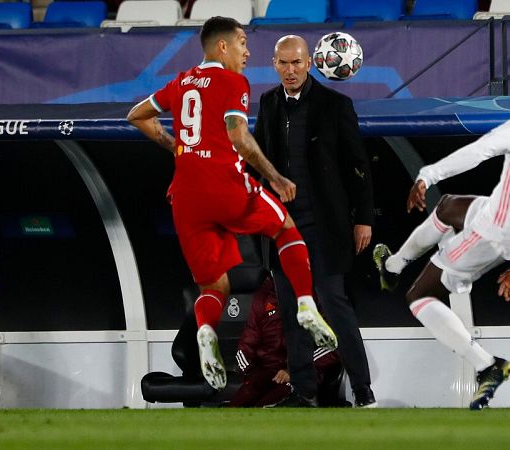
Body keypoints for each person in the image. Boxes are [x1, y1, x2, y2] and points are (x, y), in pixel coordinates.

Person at [126, 16, 337, 391]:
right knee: (286, 227)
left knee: (215, 286)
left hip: (185, 195)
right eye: (242, 42)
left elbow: (136, 116)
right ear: (222, 46)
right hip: (224, 184)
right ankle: (306, 303)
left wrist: (175, 146)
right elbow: (239, 137)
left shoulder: (181, 81)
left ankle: (206, 332)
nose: (247, 50)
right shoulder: (232, 81)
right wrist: (274, 176)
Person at [372, 67, 510, 410]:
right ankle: (393, 265)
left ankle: (488, 365)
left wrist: (427, 174)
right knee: (448, 206)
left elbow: (478, 151)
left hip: (494, 231)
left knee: (419, 295)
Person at [252, 35, 376, 408]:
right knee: (290, 309)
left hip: (325, 224)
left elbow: (358, 165)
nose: (290, 70)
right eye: (283, 63)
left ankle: (363, 391)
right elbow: (259, 161)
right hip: (282, 225)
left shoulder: (336, 104)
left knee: (334, 302)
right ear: (274, 64)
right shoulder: (268, 103)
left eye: (296, 63)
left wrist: (363, 219)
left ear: (310, 63)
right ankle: (303, 392)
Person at [230, 276, 341, 407]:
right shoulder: (263, 296)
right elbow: (246, 344)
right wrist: (252, 374)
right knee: (238, 403)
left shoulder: (316, 296)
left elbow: (334, 345)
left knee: (271, 404)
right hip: (267, 370)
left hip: (302, 373)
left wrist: (296, 370)